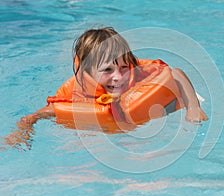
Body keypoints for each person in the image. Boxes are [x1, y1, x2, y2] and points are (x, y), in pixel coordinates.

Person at [4, 27, 208, 149]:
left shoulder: (139, 75)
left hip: (153, 113)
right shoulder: (77, 95)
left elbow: (176, 74)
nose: (118, 77)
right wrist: (23, 130)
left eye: (123, 67)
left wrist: (192, 108)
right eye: (107, 70)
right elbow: (35, 115)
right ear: (87, 71)